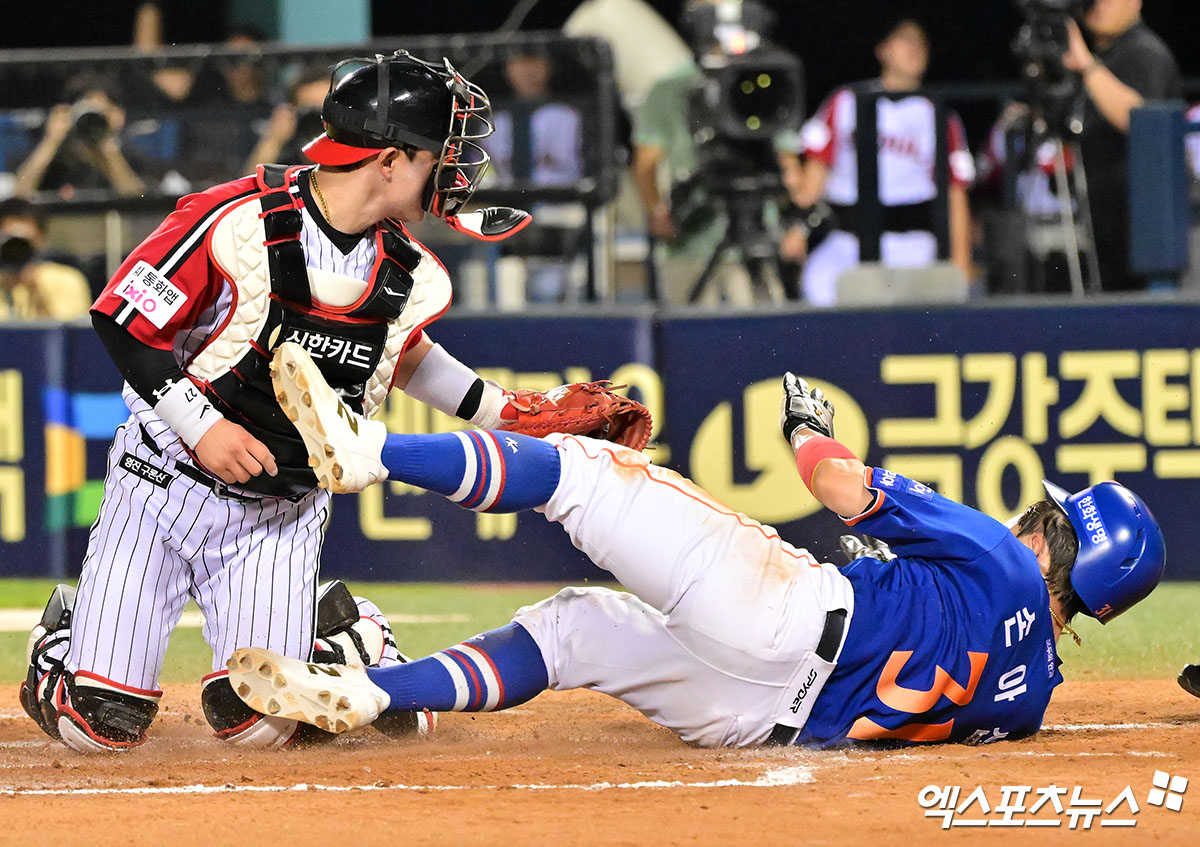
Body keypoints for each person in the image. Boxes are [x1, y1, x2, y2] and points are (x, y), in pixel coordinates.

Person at [228, 342, 1166, 748]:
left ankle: (369, 450)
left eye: (1052, 522)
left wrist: (807, 424)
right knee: (575, 631)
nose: (1031, 524)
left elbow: (838, 485)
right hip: (761, 718)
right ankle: (366, 690)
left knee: (583, 468)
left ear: (1064, 549)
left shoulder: (999, 561)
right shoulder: (1033, 699)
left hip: (789, 615)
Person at [17, 49, 532, 753]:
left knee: (260, 722)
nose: (455, 170)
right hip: (161, 482)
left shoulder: (405, 268)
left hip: (277, 509)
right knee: (97, 724)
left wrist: (519, 413)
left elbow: (406, 358)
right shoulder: (235, 218)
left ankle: (349, 635)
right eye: (438, 154)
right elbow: (123, 319)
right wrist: (202, 428)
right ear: (388, 160)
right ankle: (63, 645)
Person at [782, 19, 974, 306]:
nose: (915, 49)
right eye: (905, 40)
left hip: (913, 243)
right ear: (882, 50)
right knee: (818, 287)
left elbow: (955, 195)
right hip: (848, 242)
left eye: (921, 43)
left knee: (918, 311)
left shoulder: (939, 115)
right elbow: (812, 183)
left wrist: (962, 263)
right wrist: (797, 228)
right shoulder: (844, 101)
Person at [1061, 0, 1181, 291]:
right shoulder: (1105, 56)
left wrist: (1086, 65)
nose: (1098, 5)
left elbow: (1140, 119)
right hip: (1106, 230)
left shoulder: (1143, 51)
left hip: (1143, 237)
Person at [483, 45, 586, 303]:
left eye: (534, 62)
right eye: (519, 63)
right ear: (508, 70)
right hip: (509, 218)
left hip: (558, 215)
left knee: (548, 290)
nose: (527, 71)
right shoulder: (496, 121)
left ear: (547, 67)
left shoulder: (567, 115)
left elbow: (563, 167)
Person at [13, 75, 147, 199]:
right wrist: (51, 141)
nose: (92, 121)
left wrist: (108, 149)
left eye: (102, 112)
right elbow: (19, 195)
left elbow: (137, 201)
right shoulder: (53, 161)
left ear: (119, 116)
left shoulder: (132, 158)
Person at [0, 197, 92, 320]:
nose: (16, 248)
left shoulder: (67, 280)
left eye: (25, 242)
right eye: (10, 240)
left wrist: (35, 291)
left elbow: (65, 335)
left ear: (41, 240)